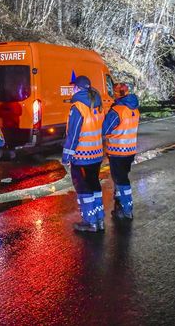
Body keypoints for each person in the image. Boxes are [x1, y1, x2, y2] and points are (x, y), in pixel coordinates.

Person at [62, 75, 106, 232]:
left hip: (81, 156)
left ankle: (89, 221)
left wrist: (66, 156)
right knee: (94, 185)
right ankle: (99, 219)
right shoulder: (98, 104)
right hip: (96, 154)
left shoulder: (77, 107)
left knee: (83, 188)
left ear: (77, 88)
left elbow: (73, 135)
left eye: (73, 86)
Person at [102, 82, 139, 220]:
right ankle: (120, 207)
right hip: (130, 150)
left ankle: (127, 210)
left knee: (121, 180)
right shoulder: (134, 109)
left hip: (117, 152)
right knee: (121, 179)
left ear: (116, 94)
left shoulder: (117, 110)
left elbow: (105, 130)